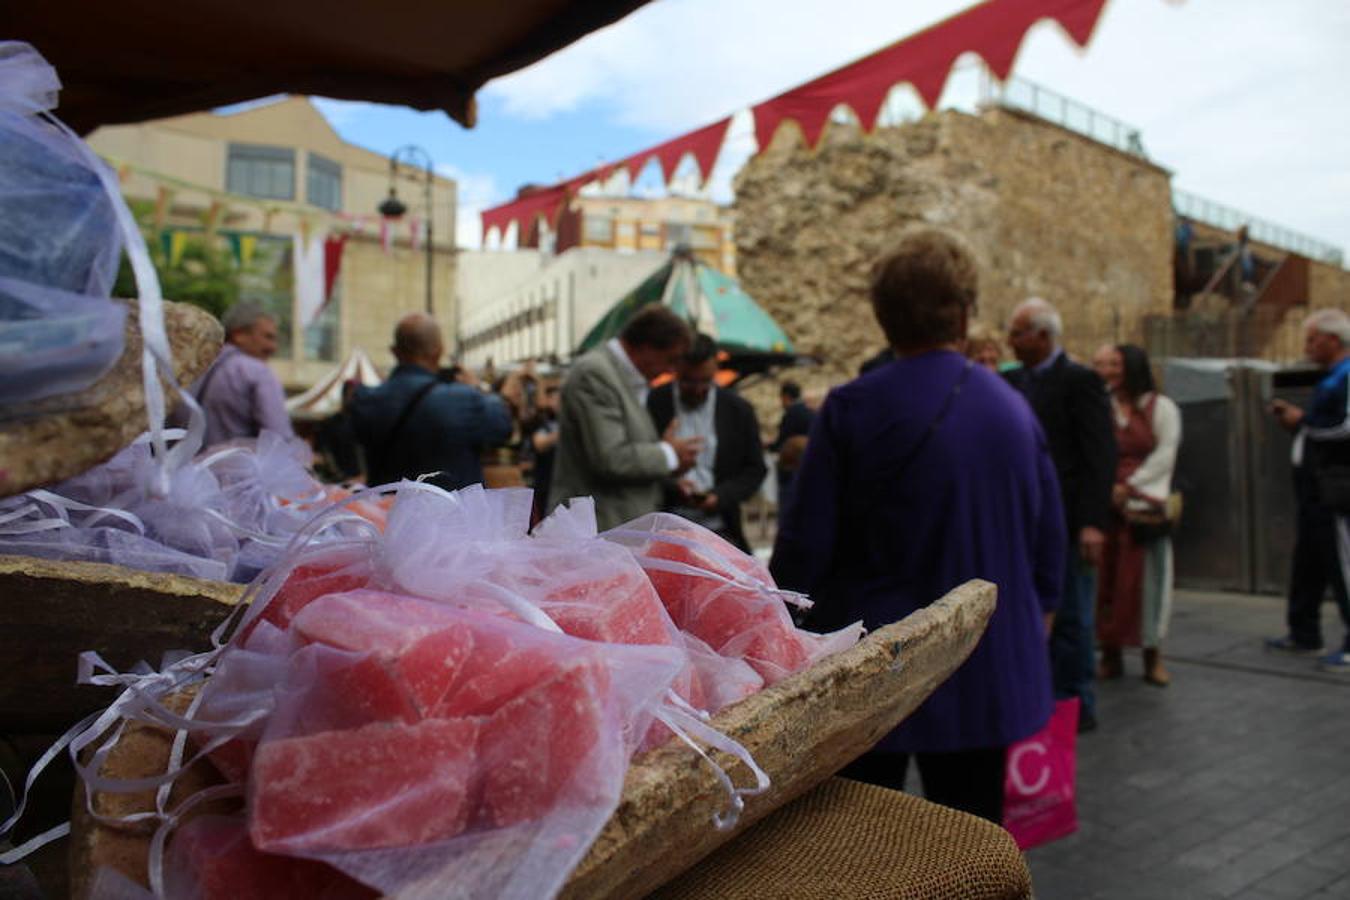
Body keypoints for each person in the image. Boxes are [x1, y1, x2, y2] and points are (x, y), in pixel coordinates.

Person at [770, 228, 1065, 823]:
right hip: (983, 662)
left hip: (875, 667)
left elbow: (803, 552)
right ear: (963, 311)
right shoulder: (1012, 407)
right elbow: (1048, 543)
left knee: (865, 846)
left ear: (883, 316)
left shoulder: (851, 409)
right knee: (974, 844)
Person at [1005, 297, 1116, 733]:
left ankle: (1074, 700)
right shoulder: (1013, 382)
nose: (1011, 341)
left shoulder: (1080, 381)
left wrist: (1092, 521)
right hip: (1025, 521)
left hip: (1068, 520)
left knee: (1071, 614)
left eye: (1018, 333)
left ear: (1044, 336)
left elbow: (1098, 456)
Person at [549, 305, 702, 530]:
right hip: (596, 532)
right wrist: (669, 454)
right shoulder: (595, 373)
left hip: (614, 528)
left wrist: (668, 473)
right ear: (646, 347)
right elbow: (611, 458)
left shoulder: (623, 377)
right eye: (671, 360)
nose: (670, 371)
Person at [1092, 344, 1182, 686]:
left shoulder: (1162, 409)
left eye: (1115, 364)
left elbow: (1165, 453)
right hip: (1108, 507)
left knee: (1150, 585)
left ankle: (1152, 654)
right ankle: (1110, 653)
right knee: (1108, 583)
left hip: (1142, 509)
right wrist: (1106, 486)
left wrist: (1129, 486)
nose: (1109, 371)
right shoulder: (1103, 406)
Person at [1266, 309, 1350, 674]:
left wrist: (1304, 423)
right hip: (1314, 485)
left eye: (1313, 339)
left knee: (1342, 564)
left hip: (1335, 486)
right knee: (1310, 561)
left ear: (1333, 339)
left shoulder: (1346, 376)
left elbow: (1345, 427)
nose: (1307, 347)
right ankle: (1304, 632)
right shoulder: (1331, 377)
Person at [350, 313, 512, 491]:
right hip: (450, 515)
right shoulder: (462, 400)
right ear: (439, 350)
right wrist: (481, 388)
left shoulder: (364, 401)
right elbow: (502, 426)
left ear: (394, 351)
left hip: (387, 514)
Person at [647, 334, 768, 552]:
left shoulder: (738, 410)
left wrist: (720, 496)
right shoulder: (654, 403)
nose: (697, 389)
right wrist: (673, 485)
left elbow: (755, 469)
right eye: (688, 381)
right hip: (663, 526)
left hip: (722, 528)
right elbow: (639, 466)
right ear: (675, 370)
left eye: (705, 381)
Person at [191, 301, 293, 446]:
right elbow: (279, 438)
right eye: (268, 337)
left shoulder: (193, 369)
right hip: (239, 466)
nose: (273, 347)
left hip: (185, 467)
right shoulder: (257, 372)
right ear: (239, 335)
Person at [769, 380, 815, 522]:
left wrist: (769, 446)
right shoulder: (810, 412)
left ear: (785, 397)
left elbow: (782, 442)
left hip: (792, 467)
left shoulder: (791, 414)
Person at [314, 379, 363, 482]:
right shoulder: (330, 424)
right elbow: (325, 453)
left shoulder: (365, 423)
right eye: (351, 395)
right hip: (338, 481)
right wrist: (342, 477)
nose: (354, 399)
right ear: (344, 396)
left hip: (362, 482)